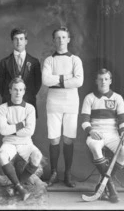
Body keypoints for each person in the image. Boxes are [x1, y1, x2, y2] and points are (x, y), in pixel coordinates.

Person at [80, 68, 124, 203]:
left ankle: (103, 183)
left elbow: (123, 120)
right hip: (95, 133)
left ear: (110, 81)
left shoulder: (117, 98)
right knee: (96, 148)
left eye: (106, 79)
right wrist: (90, 131)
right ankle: (111, 188)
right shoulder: (89, 98)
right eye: (100, 79)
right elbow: (84, 121)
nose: (103, 82)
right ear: (96, 81)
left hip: (113, 134)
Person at [42, 27, 84, 187]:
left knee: (68, 139)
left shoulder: (75, 60)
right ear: (54, 40)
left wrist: (57, 80)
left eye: (63, 37)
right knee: (54, 139)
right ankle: (53, 172)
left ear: (68, 39)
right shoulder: (49, 60)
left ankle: (67, 173)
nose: (60, 40)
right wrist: (67, 78)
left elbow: (79, 81)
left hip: (71, 103)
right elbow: (46, 80)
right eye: (57, 37)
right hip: (53, 103)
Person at [0, 77, 43, 201]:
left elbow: (30, 131)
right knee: (1, 156)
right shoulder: (2, 108)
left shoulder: (30, 109)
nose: (18, 92)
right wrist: (20, 124)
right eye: (15, 89)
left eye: (21, 90)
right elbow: (2, 131)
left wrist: (10, 128)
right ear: (10, 90)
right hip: (9, 142)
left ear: (24, 91)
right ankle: (20, 188)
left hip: (26, 143)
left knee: (37, 156)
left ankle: (16, 186)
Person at [0, 28, 42, 117]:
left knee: (27, 130)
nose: (18, 41)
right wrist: (9, 96)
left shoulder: (34, 62)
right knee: (9, 130)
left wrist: (27, 95)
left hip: (29, 103)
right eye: (16, 39)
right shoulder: (4, 62)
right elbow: (0, 85)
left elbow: (38, 83)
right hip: (9, 104)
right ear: (12, 41)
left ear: (26, 41)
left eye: (21, 39)